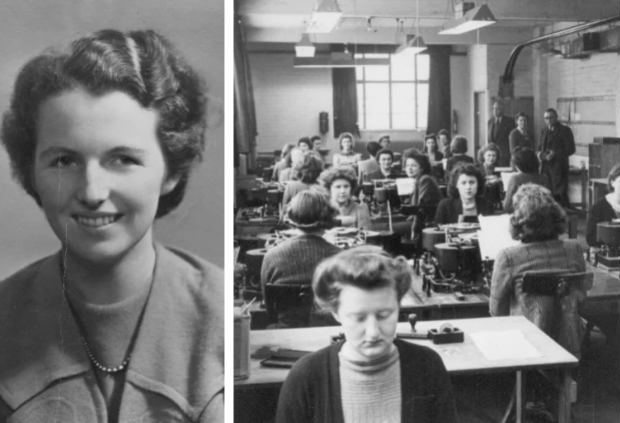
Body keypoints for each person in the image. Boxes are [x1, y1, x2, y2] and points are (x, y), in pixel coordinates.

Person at [0, 29, 223, 421]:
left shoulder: (220, 318)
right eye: (64, 161)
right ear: (30, 171)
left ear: (171, 169)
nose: (91, 191)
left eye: (122, 159)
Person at [276, 246, 457, 423]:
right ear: (336, 313)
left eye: (384, 315)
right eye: (358, 318)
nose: (373, 332)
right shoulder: (305, 377)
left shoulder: (427, 366)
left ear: (398, 306)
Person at [490, 184, 587, 358]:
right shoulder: (574, 248)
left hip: (525, 346)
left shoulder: (508, 256)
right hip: (570, 342)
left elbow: (496, 311)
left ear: (518, 220)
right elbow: (580, 295)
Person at [261, 190, 341, 328]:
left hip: (285, 333)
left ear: (292, 216)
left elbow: (269, 308)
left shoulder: (272, 255)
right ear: (329, 217)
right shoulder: (341, 257)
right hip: (329, 332)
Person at [539, 108, 576, 208]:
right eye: (546, 118)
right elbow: (540, 147)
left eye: (551, 118)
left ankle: (563, 216)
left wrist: (555, 154)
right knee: (547, 193)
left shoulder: (565, 130)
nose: (549, 120)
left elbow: (571, 149)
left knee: (560, 195)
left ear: (556, 117)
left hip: (559, 168)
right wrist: (541, 155)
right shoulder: (544, 130)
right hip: (546, 168)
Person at [403, 149, 442, 237]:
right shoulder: (419, 180)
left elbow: (421, 209)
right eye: (407, 165)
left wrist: (414, 229)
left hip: (427, 224)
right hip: (421, 221)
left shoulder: (425, 180)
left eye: (413, 165)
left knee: (387, 228)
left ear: (422, 168)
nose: (409, 168)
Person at [503, 147, 549, 213]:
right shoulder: (544, 178)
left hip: (521, 216)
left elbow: (507, 207)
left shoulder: (515, 179)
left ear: (517, 165)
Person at [488, 100, 516, 167]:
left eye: (497, 108)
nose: (495, 110)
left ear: (503, 110)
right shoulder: (490, 121)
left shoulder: (510, 121)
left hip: (504, 155)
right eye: (494, 108)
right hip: (492, 155)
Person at [476, 144, 504, 209]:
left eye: (494, 156)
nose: (491, 158)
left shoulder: (499, 169)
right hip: (480, 202)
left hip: (495, 202)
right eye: (489, 155)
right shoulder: (477, 169)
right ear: (483, 155)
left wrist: (499, 181)